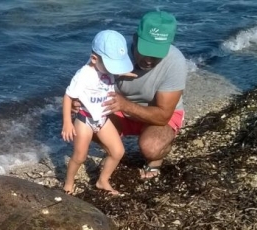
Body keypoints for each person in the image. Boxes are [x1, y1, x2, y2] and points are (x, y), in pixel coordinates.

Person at [101, 10, 188, 179]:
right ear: (134, 38)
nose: (149, 59)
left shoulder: (175, 61)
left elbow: (163, 116)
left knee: (152, 147)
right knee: (83, 121)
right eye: (145, 50)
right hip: (121, 108)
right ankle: (114, 151)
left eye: (156, 54)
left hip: (159, 114)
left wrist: (125, 105)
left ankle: (156, 160)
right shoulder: (116, 55)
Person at [61, 30, 134, 195]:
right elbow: (68, 96)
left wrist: (125, 72)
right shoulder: (84, 75)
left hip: (102, 118)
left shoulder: (105, 67)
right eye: (112, 66)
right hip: (85, 120)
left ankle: (102, 181)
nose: (113, 70)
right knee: (80, 157)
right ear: (94, 59)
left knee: (118, 152)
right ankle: (68, 182)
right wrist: (67, 122)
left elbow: (114, 70)